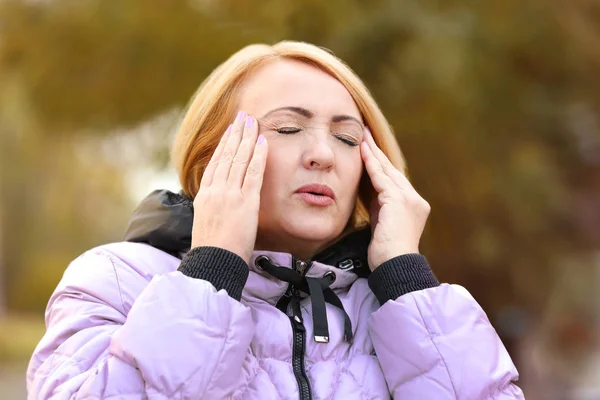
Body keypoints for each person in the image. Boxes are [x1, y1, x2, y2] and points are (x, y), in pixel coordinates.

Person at [27, 41, 525, 399]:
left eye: (349, 138)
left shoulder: (401, 311)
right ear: (212, 156)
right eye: (288, 127)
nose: (323, 155)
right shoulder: (115, 282)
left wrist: (406, 282)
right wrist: (211, 273)